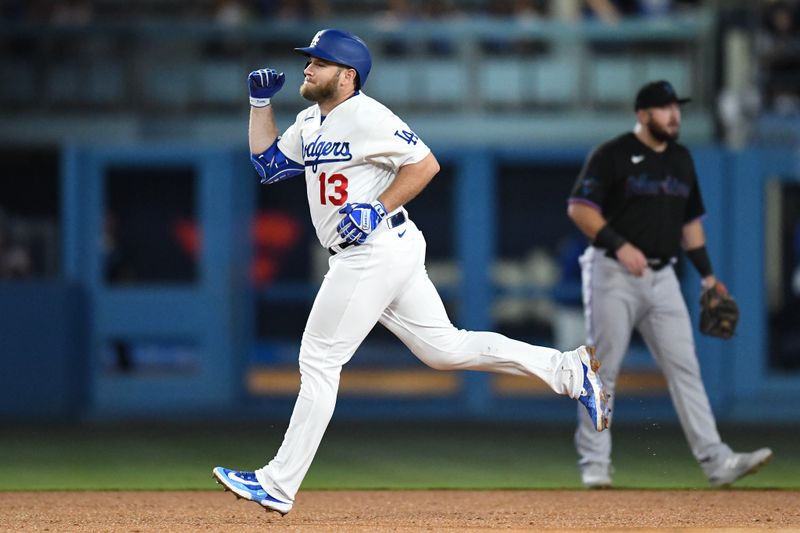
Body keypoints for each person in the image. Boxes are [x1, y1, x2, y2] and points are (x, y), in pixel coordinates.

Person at [212, 28, 610, 515]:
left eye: (319, 61)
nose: (308, 67)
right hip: (380, 251)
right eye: (309, 60)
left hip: (373, 249)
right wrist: (258, 104)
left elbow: (425, 165)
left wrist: (377, 208)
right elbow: (269, 166)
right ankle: (568, 370)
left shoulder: (368, 115)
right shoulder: (310, 121)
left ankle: (277, 483)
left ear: (347, 75)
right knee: (444, 348)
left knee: (319, 361)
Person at [567, 80, 773, 489]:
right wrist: (619, 244)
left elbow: (690, 223)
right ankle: (595, 464)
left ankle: (718, 462)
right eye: (664, 108)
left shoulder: (681, 159)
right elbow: (579, 208)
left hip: (664, 277)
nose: (674, 114)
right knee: (601, 370)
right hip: (612, 272)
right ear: (643, 115)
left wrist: (709, 275)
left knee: (687, 370)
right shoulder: (612, 154)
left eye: (676, 107)